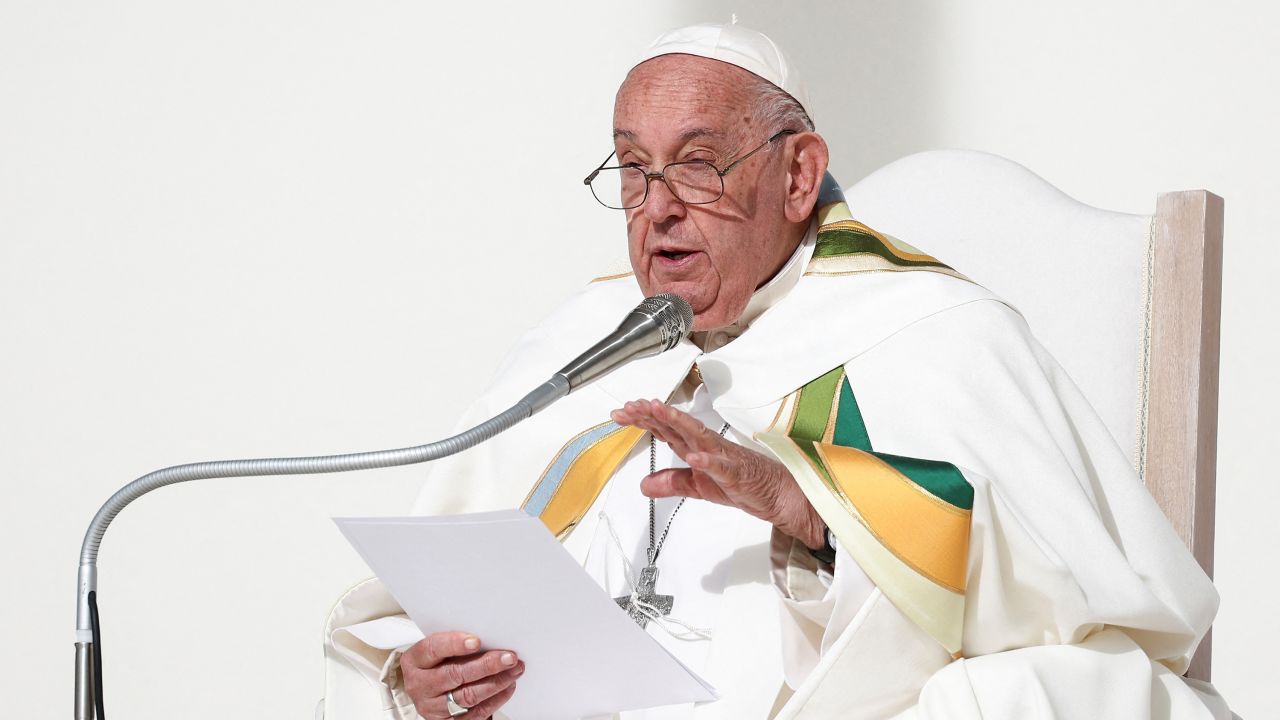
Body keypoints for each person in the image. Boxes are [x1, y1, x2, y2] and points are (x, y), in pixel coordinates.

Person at [323, 23, 1234, 720]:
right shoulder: (586, 337)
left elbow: (1087, 619)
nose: (659, 211)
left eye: (698, 165)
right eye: (634, 171)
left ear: (799, 178)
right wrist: (426, 673)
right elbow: (438, 587)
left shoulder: (937, 333)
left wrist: (816, 510)